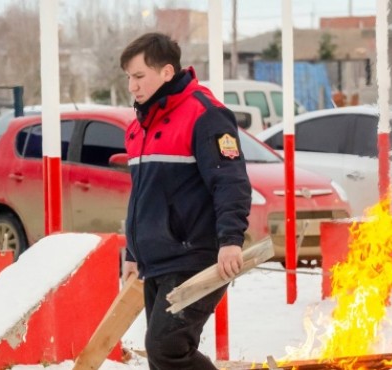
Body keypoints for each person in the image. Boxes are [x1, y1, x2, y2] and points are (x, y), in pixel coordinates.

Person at [120, 32, 252, 370]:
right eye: (128, 78)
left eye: (138, 77)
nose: (132, 87)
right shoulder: (140, 127)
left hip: (195, 256)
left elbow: (230, 182)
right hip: (157, 260)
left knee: (167, 348)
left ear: (166, 72)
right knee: (162, 357)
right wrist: (133, 254)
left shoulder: (205, 115)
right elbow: (142, 197)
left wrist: (231, 241)